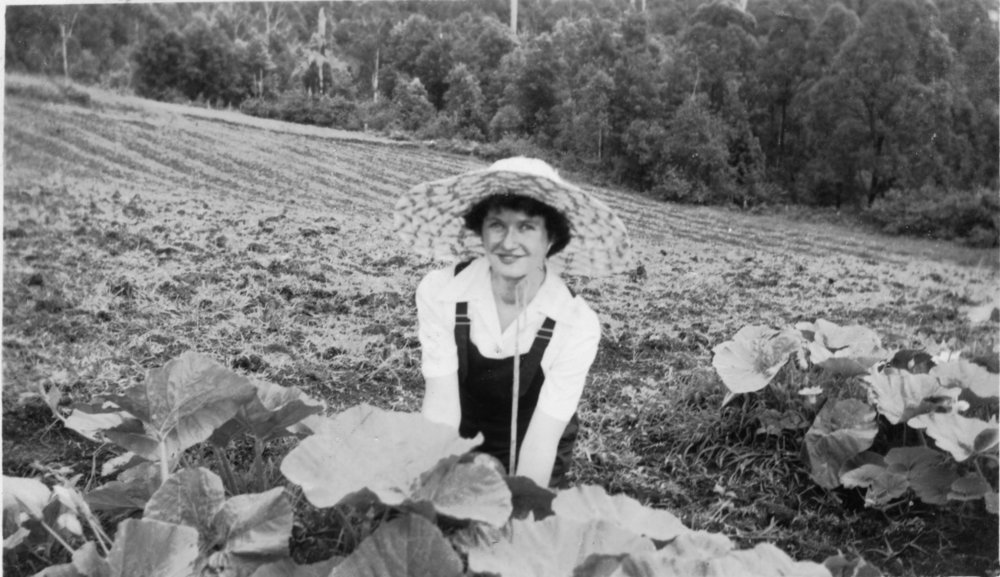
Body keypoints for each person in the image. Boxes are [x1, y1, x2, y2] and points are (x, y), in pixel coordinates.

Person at [393, 157, 632, 488]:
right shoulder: (440, 292)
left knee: (525, 527)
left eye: (526, 227)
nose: (508, 243)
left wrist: (519, 508)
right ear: (481, 231)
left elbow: (542, 440)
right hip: (461, 438)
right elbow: (441, 410)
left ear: (551, 239)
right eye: (497, 225)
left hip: (535, 444)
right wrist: (436, 489)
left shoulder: (575, 323)